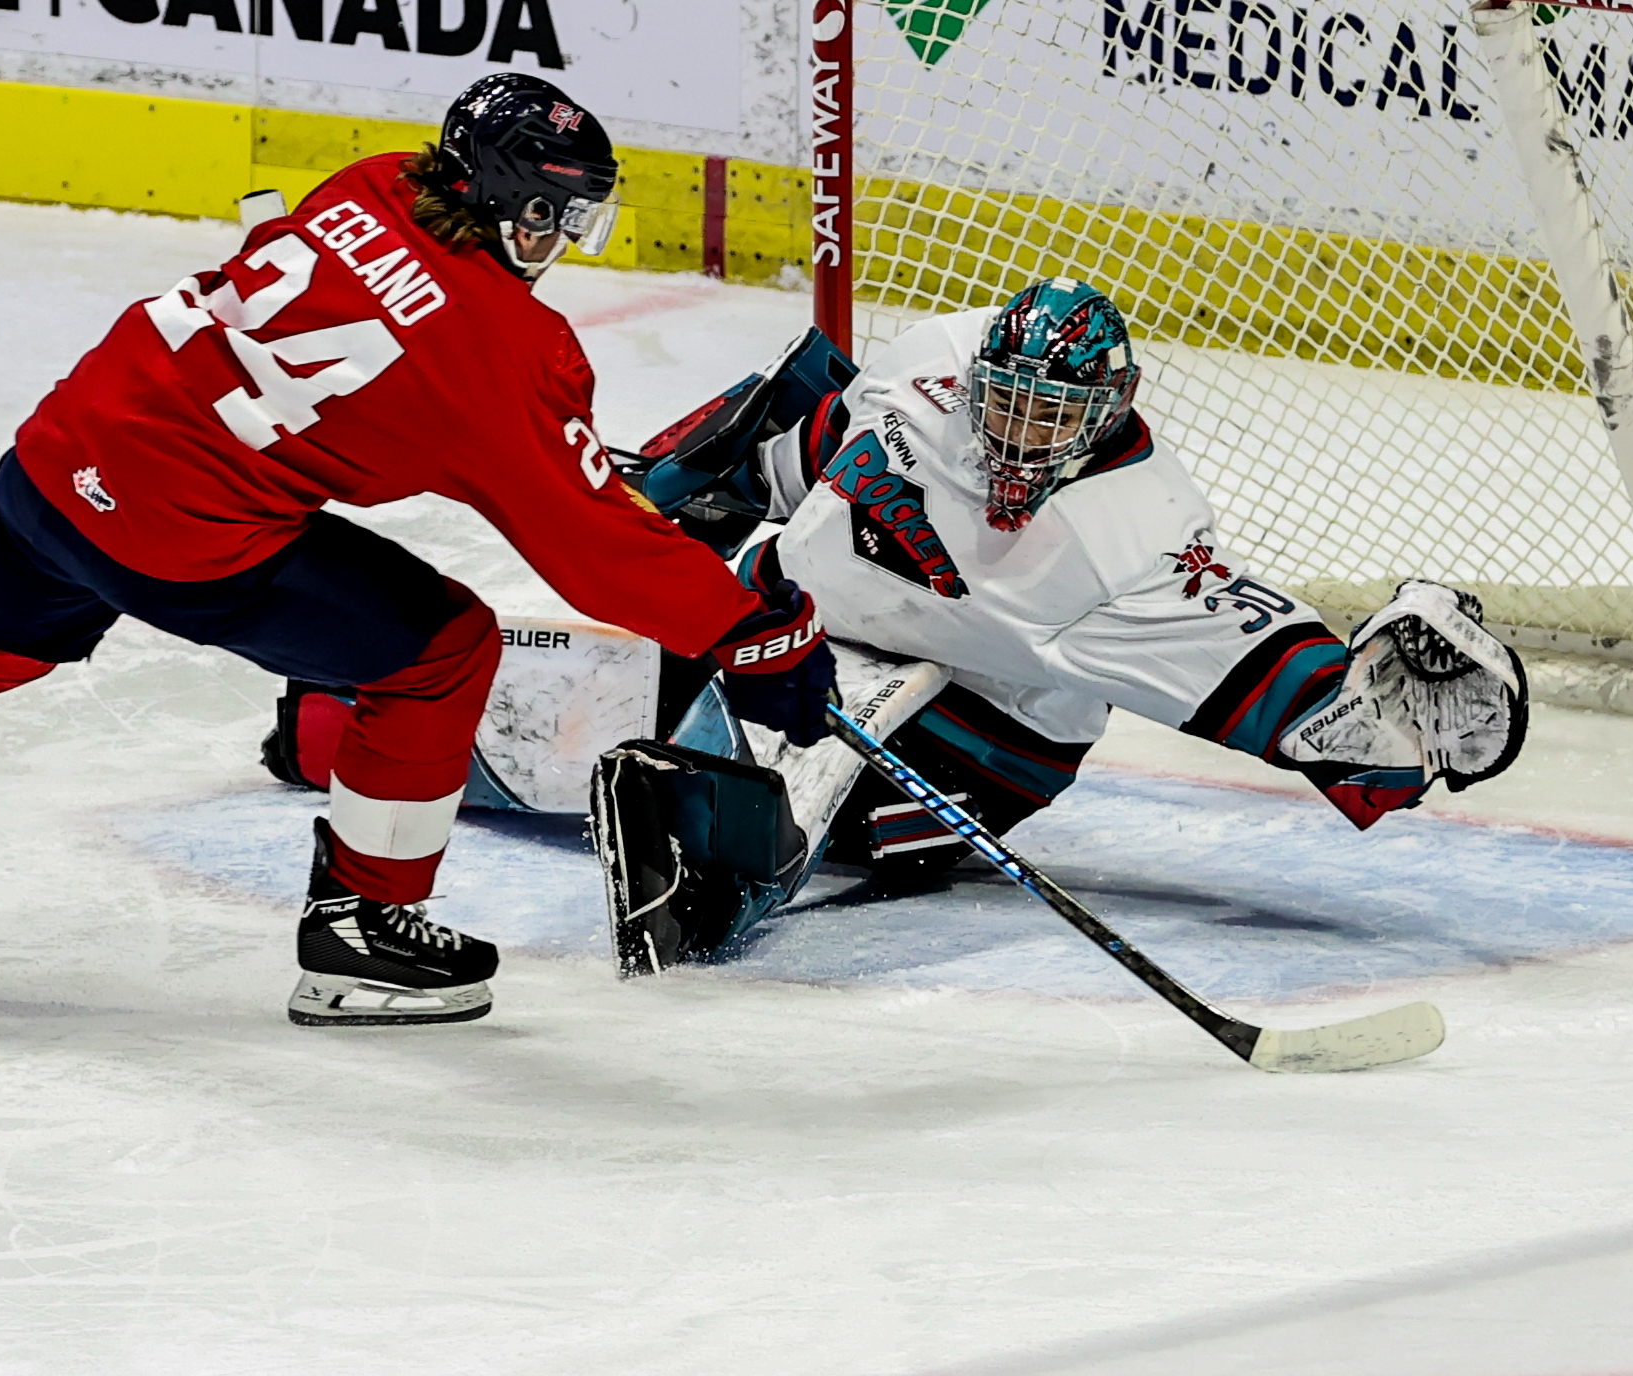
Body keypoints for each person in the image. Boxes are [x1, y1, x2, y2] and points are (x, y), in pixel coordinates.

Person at [0, 73, 835, 1026]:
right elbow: (591, 543)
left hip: (69, 447)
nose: (563, 238)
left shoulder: (372, 183)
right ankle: (364, 931)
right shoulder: (510, 353)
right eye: (562, 215)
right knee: (440, 650)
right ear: (522, 208)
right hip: (182, 525)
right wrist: (749, 631)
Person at [593, 278, 1529, 972]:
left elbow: (1300, 702)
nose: (1016, 436)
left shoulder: (1136, 549)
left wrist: (1396, 720)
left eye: (1050, 418)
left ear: (1109, 411)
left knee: (754, 815)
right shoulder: (933, 358)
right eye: (1006, 403)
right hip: (788, 623)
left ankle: (720, 852)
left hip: (974, 734)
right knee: (634, 681)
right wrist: (691, 497)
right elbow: (831, 430)